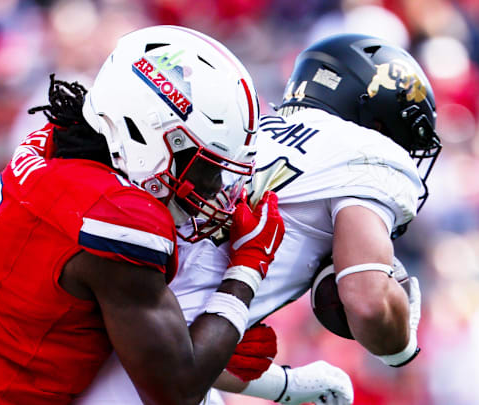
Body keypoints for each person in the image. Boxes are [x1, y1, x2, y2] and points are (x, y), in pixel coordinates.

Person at [0, 25, 286, 405]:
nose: (213, 187)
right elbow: (178, 391)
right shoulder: (118, 215)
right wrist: (247, 270)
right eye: (205, 167)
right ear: (146, 135)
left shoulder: (53, 143)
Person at [81, 33, 442, 404]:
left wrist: (285, 386)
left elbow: (191, 320)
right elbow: (367, 303)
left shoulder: (254, 130)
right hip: (155, 368)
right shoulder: (372, 156)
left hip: (114, 330)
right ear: (382, 122)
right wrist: (401, 342)